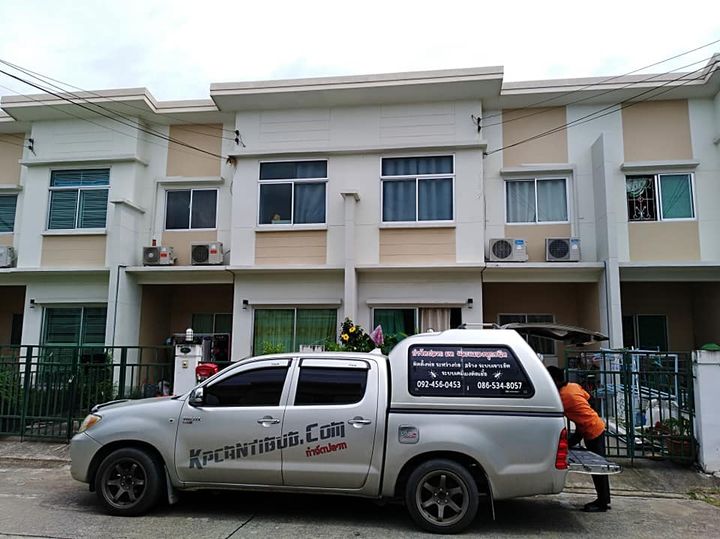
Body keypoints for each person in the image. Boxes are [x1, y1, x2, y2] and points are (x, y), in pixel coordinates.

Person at [547, 365, 611, 512]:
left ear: (554, 380)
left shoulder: (561, 397)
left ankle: (602, 503)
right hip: (594, 425)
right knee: (599, 465)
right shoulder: (573, 386)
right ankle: (605, 499)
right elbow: (590, 398)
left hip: (591, 430)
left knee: (597, 468)